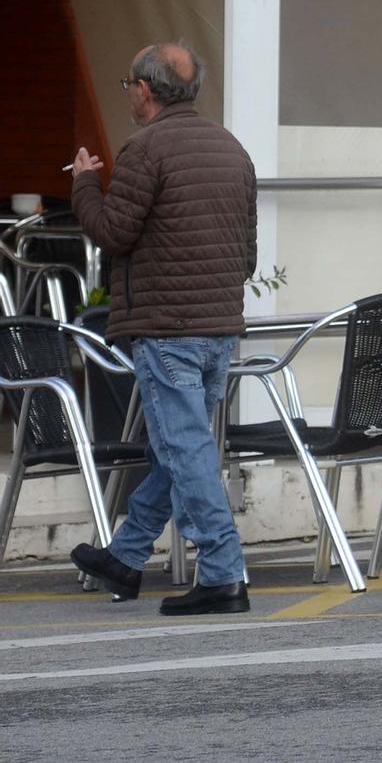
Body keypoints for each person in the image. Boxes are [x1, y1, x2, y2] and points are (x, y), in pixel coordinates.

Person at [66, 42, 258, 616]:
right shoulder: (232, 149)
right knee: (179, 448)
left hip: (168, 330)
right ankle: (126, 557)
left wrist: (82, 184)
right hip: (219, 327)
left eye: (129, 83)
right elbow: (246, 255)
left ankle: (224, 573)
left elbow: (114, 232)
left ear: (145, 90)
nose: (127, 92)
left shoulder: (145, 148)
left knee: (185, 450)